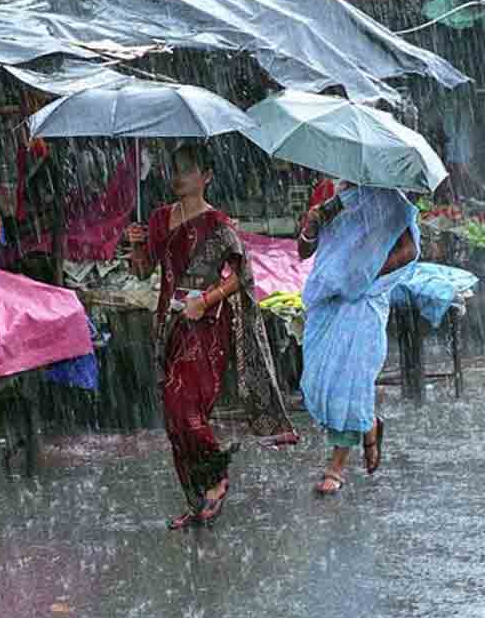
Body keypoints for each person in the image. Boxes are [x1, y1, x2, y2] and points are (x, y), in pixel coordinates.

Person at [126, 142, 296, 529]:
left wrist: (206, 299)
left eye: (187, 170)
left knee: (186, 407)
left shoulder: (218, 225)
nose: (178, 177)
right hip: (168, 326)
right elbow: (141, 271)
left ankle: (217, 477)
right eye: (175, 168)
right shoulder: (157, 220)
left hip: (205, 329)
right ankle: (195, 497)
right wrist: (136, 246)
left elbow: (243, 278)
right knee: (173, 418)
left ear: (206, 176)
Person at [297, 181, 420, 494]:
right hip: (327, 300)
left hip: (364, 301)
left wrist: (366, 272)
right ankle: (368, 424)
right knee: (317, 381)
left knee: (349, 381)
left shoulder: (390, 200)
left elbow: (409, 250)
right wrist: (311, 225)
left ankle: (336, 466)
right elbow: (304, 251)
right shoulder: (328, 196)